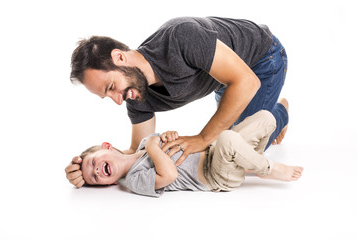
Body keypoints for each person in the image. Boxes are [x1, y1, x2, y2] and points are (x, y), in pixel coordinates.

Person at [66, 16, 289, 188]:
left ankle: (281, 112)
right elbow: (136, 151)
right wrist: (86, 169)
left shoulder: (180, 37)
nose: (117, 100)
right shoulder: (136, 95)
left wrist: (202, 138)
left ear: (120, 58)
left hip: (260, 61)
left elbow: (246, 82)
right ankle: (255, 105)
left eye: (111, 87)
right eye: (108, 96)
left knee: (244, 150)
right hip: (225, 80)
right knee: (227, 151)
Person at [69, 106, 303, 197]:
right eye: (94, 178)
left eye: (92, 164)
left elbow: (177, 146)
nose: (97, 172)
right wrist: (153, 145)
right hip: (215, 174)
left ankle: (252, 162)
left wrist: (170, 137)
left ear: (106, 147)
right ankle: (268, 168)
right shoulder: (133, 179)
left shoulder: (143, 146)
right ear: (106, 184)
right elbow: (169, 175)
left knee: (266, 118)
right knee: (228, 138)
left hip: (214, 152)